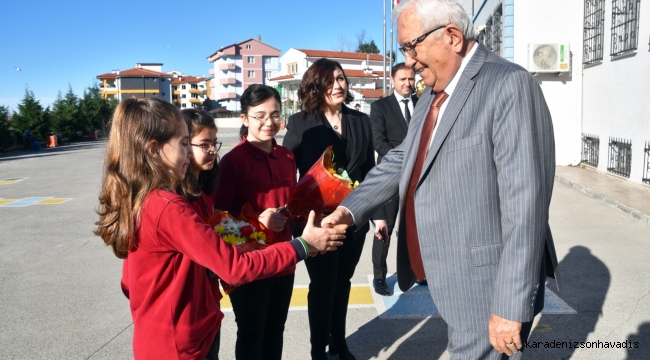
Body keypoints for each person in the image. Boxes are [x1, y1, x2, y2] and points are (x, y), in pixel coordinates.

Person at [322, 1, 559, 359]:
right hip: (446, 274)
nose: (408, 60)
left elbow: (525, 205)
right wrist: (349, 208)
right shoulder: (431, 95)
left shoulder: (508, 85)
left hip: (486, 284)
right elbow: (403, 159)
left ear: (452, 36)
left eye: (410, 46)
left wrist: (511, 305)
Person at [94, 98, 347, 359]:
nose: (191, 152)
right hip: (180, 345)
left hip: (185, 335)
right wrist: (304, 245)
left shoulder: (147, 199)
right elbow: (235, 267)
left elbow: (129, 283)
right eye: (184, 143)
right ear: (153, 150)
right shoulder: (168, 207)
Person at [284, 58, 375, 360]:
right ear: (316, 85)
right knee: (323, 285)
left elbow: (370, 171)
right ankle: (317, 348)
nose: (338, 85)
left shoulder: (361, 120)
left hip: (353, 221)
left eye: (341, 78)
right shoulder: (300, 122)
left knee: (344, 282)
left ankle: (339, 341)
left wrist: (379, 216)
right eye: (330, 80)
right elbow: (287, 169)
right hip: (317, 222)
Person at [214, 84, 296, 360]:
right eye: (260, 115)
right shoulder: (232, 162)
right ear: (245, 118)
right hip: (249, 264)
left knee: (276, 330)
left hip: (284, 260)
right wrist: (256, 221)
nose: (269, 122)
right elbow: (218, 218)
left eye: (274, 115)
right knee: (251, 334)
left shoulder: (286, 156)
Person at [369, 62, 418, 296]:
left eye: (411, 79)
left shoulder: (423, 104)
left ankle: (418, 271)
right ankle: (380, 277)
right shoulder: (380, 107)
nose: (408, 83)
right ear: (392, 81)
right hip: (390, 175)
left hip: (418, 177)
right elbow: (379, 143)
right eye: (403, 79)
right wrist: (406, 160)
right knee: (384, 229)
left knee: (416, 228)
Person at [181, 108, 222, 359]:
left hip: (210, 300)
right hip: (190, 306)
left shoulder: (206, 189)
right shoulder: (176, 201)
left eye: (214, 143)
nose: (212, 150)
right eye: (204, 144)